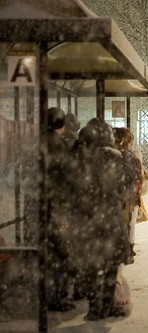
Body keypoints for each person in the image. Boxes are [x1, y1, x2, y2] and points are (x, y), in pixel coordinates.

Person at [67, 118, 132, 320]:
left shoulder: (80, 157)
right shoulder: (116, 157)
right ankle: (107, 303)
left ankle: (95, 308)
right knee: (111, 265)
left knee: (93, 265)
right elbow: (124, 188)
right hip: (110, 217)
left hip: (87, 218)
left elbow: (71, 188)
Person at [45, 107, 75, 312]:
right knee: (60, 253)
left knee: (50, 252)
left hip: (42, 204)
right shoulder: (57, 145)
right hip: (56, 205)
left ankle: (50, 294)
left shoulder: (40, 141)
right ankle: (56, 297)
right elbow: (66, 176)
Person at [114, 127, 143, 264]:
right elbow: (138, 178)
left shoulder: (108, 155)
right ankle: (126, 251)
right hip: (126, 197)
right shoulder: (130, 157)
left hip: (112, 197)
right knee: (126, 224)